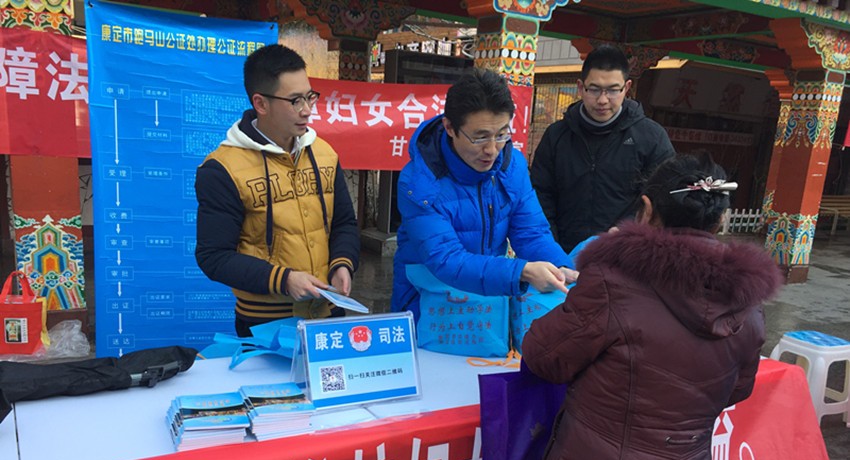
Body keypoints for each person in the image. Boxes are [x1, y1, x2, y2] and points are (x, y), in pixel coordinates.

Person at [511, 153, 783, 460]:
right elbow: (736, 389)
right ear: (722, 220)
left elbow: (543, 356)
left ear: (646, 209)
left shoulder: (616, 284)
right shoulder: (746, 306)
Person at [195, 45, 359, 336]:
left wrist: (342, 264)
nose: (307, 110)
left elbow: (344, 223)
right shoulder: (222, 169)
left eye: (310, 97)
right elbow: (214, 256)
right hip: (265, 324)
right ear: (261, 103)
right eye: (295, 101)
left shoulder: (324, 153)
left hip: (328, 312)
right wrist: (284, 280)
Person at [390, 68, 576, 320]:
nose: (492, 149)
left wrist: (561, 268)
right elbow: (446, 259)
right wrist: (521, 272)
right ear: (450, 127)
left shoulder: (512, 166)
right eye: (480, 137)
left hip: (487, 301)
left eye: (501, 134)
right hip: (428, 305)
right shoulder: (419, 182)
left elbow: (531, 233)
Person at [531, 44, 675, 253]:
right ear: (580, 87)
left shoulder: (651, 137)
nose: (602, 100)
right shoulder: (556, 136)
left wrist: (629, 233)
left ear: (626, 88)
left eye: (613, 90)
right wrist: (551, 249)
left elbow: (663, 198)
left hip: (626, 253)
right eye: (594, 89)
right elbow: (540, 195)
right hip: (562, 256)